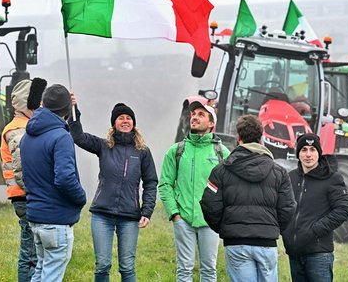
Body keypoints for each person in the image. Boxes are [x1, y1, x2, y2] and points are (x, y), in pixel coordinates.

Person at [68, 96, 158, 282]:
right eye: (120, 118)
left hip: (130, 217)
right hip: (102, 215)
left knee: (127, 267)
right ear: (114, 123)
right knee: (102, 265)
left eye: (128, 118)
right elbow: (78, 137)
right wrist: (73, 110)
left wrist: (147, 211)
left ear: (133, 123)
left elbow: (150, 182)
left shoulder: (143, 152)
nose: (125, 121)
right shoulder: (103, 146)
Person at [200, 115, 296, 282]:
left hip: (236, 243)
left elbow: (209, 204)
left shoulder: (221, 170)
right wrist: (272, 228)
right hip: (267, 243)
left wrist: (226, 227)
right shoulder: (279, 172)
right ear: (261, 138)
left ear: (238, 138)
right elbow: (288, 208)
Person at [21, 84, 87, 282]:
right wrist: (81, 198)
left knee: (40, 271)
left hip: (35, 217)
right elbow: (65, 178)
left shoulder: (27, 136)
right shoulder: (61, 137)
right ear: (66, 109)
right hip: (56, 221)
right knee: (51, 276)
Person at [159, 101, 230, 282]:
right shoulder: (177, 150)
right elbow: (165, 184)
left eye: (201, 114)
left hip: (211, 222)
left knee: (209, 270)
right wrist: (174, 214)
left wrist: (221, 214)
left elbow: (230, 187)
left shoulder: (222, 152)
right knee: (184, 270)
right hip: (183, 219)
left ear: (211, 123)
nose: (195, 117)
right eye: (194, 114)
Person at [282, 133, 348, 282]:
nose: (308, 154)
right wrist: (286, 233)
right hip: (294, 253)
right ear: (298, 153)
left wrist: (315, 230)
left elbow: (344, 210)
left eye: (313, 150)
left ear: (319, 153)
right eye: (304, 150)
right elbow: (282, 207)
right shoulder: (290, 178)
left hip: (319, 254)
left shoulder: (333, 178)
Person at [0, 78, 45, 282]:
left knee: (33, 250)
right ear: (28, 103)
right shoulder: (18, 130)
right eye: (38, 101)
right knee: (30, 253)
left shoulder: (25, 125)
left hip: (25, 195)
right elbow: (21, 170)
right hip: (26, 196)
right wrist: (40, 193)